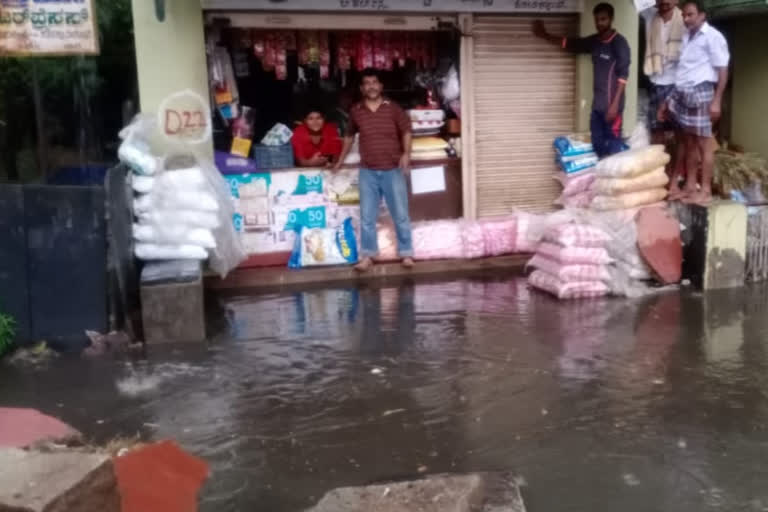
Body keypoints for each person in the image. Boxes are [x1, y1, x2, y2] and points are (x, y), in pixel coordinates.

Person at [334, 68, 414, 272]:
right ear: (362, 88)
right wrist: (339, 162)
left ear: (381, 86)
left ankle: (406, 254)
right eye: (367, 83)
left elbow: (406, 130)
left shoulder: (393, 108)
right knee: (367, 217)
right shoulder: (356, 110)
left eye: (374, 82)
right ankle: (368, 256)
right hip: (367, 171)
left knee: (401, 214)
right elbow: (349, 137)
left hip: (393, 169)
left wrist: (406, 154)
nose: (371, 86)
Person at [534, 3, 631, 158]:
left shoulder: (619, 43)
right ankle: (602, 180)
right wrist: (545, 35)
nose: (599, 23)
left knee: (613, 148)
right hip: (597, 108)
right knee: (598, 145)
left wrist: (614, 106)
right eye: (597, 20)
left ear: (611, 19)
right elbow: (570, 43)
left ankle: (615, 182)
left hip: (613, 109)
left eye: (603, 19)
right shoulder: (595, 42)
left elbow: (623, 76)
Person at [658, 0, 729, 204]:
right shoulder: (687, 36)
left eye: (690, 15)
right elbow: (683, 70)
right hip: (683, 93)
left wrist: (716, 101)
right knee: (688, 142)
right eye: (684, 15)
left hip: (701, 93)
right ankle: (690, 186)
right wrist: (669, 100)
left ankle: (705, 190)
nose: (686, 19)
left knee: (703, 144)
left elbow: (723, 70)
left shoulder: (713, 37)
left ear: (702, 15)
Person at [642, 0, 684, 147]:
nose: (665, 1)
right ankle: (658, 167)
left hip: (677, 83)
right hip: (656, 82)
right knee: (656, 129)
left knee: (680, 131)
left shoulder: (684, 19)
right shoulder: (649, 15)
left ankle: (676, 168)